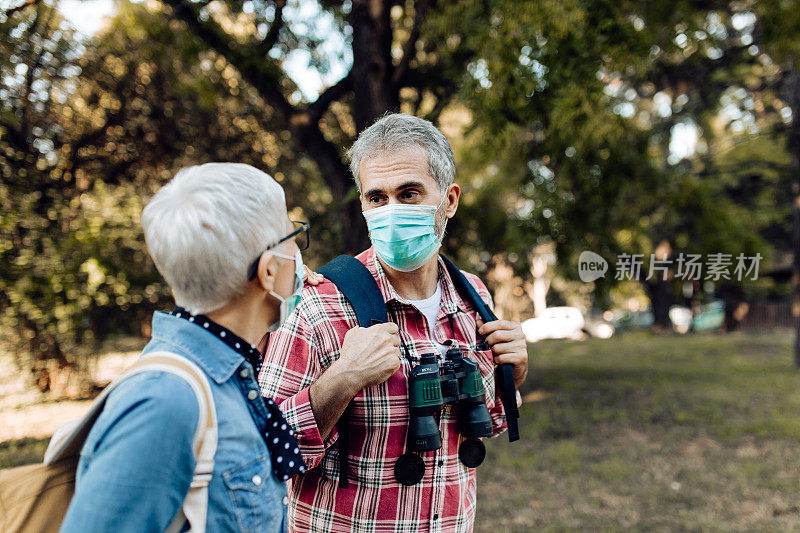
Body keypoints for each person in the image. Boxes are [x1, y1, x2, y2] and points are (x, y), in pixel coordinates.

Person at [258, 113, 529, 532]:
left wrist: (513, 375)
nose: (392, 211)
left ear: (449, 201)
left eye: (409, 193)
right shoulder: (318, 304)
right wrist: (343, 378)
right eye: (377, 198)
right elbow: (263, 450)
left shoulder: (473, 294)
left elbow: (474, 429)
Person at [61, 163, 315, 532]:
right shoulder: (165, 402)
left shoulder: (228, 375)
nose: (298, 250)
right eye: (291, 235)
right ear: (268, 271)